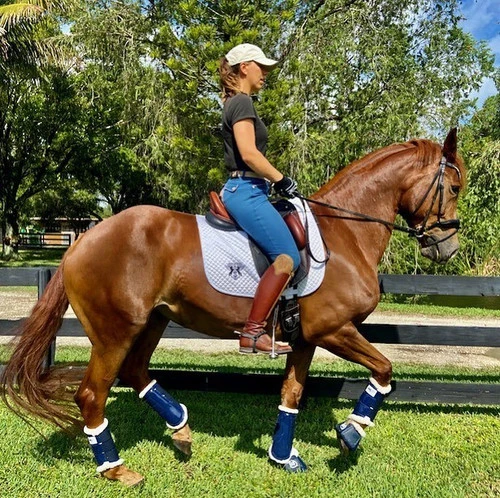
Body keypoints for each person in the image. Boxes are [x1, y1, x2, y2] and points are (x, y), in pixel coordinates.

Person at [219, 43, 301, 355]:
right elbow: (250, 154)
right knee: (288, 256)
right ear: (244, 68)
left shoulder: (238, 101)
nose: (265, 73)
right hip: (246, 190)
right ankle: (253, 332)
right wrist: (281, 179)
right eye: (261, 66)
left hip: (250, 188)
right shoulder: (242, 102)